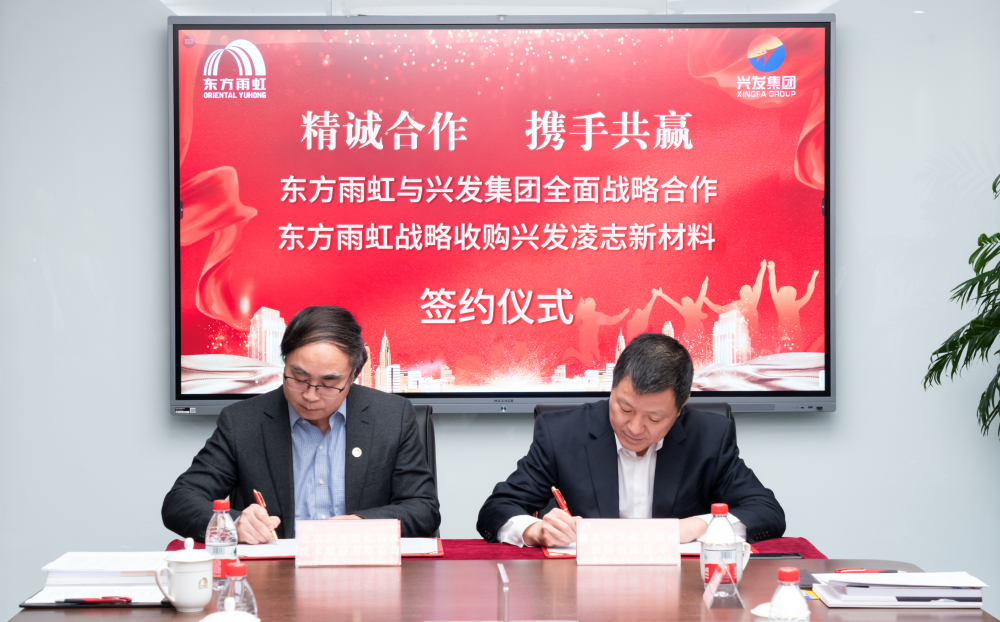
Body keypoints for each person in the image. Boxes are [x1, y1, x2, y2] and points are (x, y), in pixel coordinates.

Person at [477, 333, 784, 548]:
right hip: (584, 589)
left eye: (654, 418)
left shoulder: (709, 437)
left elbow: (767, 511)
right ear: (612, 389)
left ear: (681, 407)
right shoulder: (562, 433)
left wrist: (695, 526)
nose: (635, 428)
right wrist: (535, 530)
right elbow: (496, 510)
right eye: (624, 408)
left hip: (681, 591)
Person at [163, 306, 439, 543]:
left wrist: (363, 524)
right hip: (275, 575)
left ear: (353, 375)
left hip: (364, 571)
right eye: (298, 378)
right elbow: (180, 501)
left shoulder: (391, 416)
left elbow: (423, 509)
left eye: (329, 383)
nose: (310, 395)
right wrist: (232, 525)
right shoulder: (243, 421)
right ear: (284, 363)